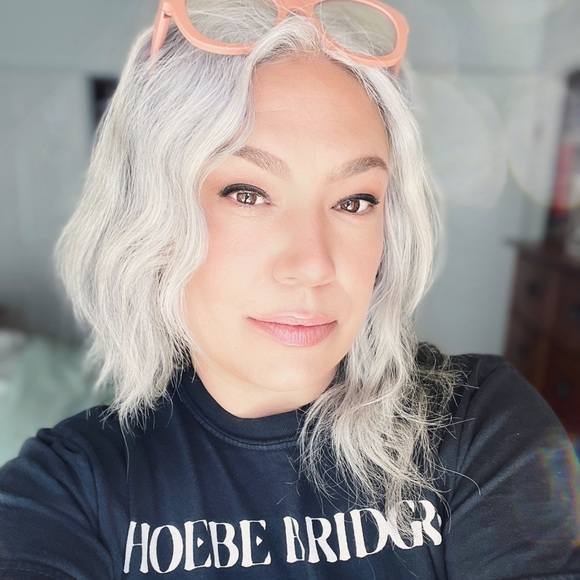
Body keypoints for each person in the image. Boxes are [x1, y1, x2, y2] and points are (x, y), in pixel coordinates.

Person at [1, 1, 579, 578]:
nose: (313, 265)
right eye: (247, 194)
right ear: (151, 219)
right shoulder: (67, 490)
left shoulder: (479, 426)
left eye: (355, 201)